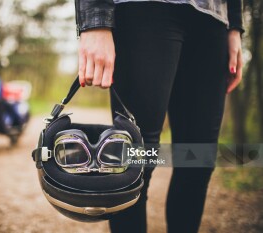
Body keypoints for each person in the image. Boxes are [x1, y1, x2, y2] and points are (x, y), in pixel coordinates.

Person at [75, 0, 244, 232]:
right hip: (143, 10)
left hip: (213, 20)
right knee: (135, 163)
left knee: (198, 162)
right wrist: (94, 21)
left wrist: (235, 27)